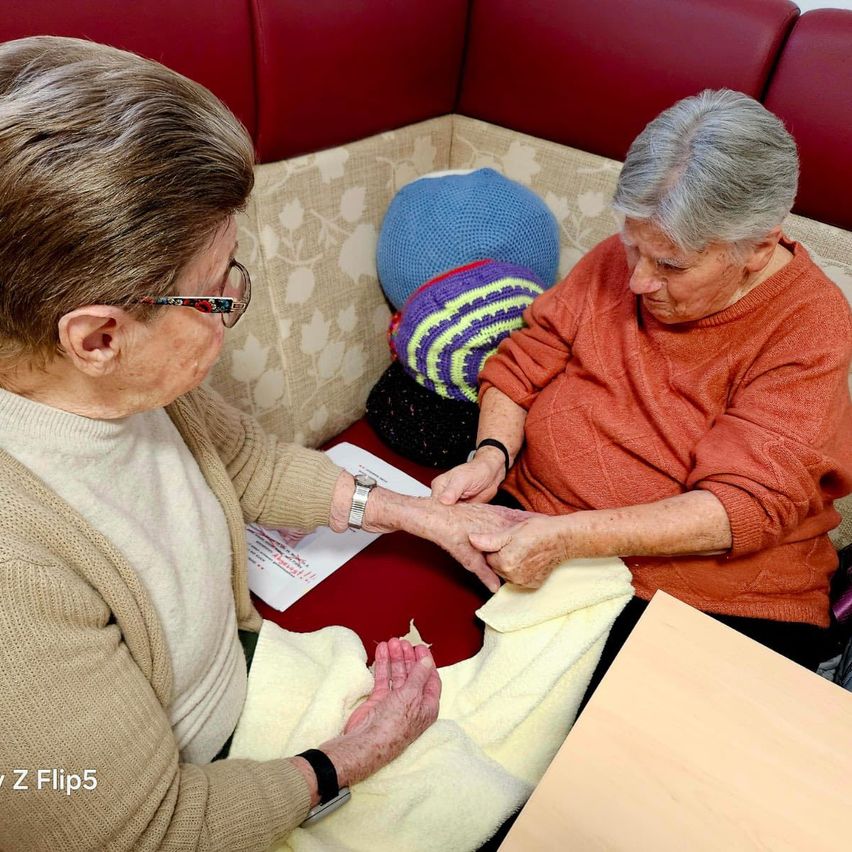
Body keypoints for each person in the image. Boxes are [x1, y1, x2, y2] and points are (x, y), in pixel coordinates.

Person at [0, 36, 514, 851]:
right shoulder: (16, 581)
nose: (232, 311)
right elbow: (144, 829)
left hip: (242, 675)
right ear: (97, 338)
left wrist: (424, 516)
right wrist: (351, 755)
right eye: (215, 294)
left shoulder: (119, 386)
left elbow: (245, 464)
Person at [433, 89, 852, 688]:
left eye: (672, 267)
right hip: (538, 519)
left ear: (759, 247)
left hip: (710, 593)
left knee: (594, 754)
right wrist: (492, 455)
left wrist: (568, 538)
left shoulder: (809, 324)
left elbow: (740, 509)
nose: (636, 280)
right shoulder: (627, 256)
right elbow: (525, 360)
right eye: (633, 246)